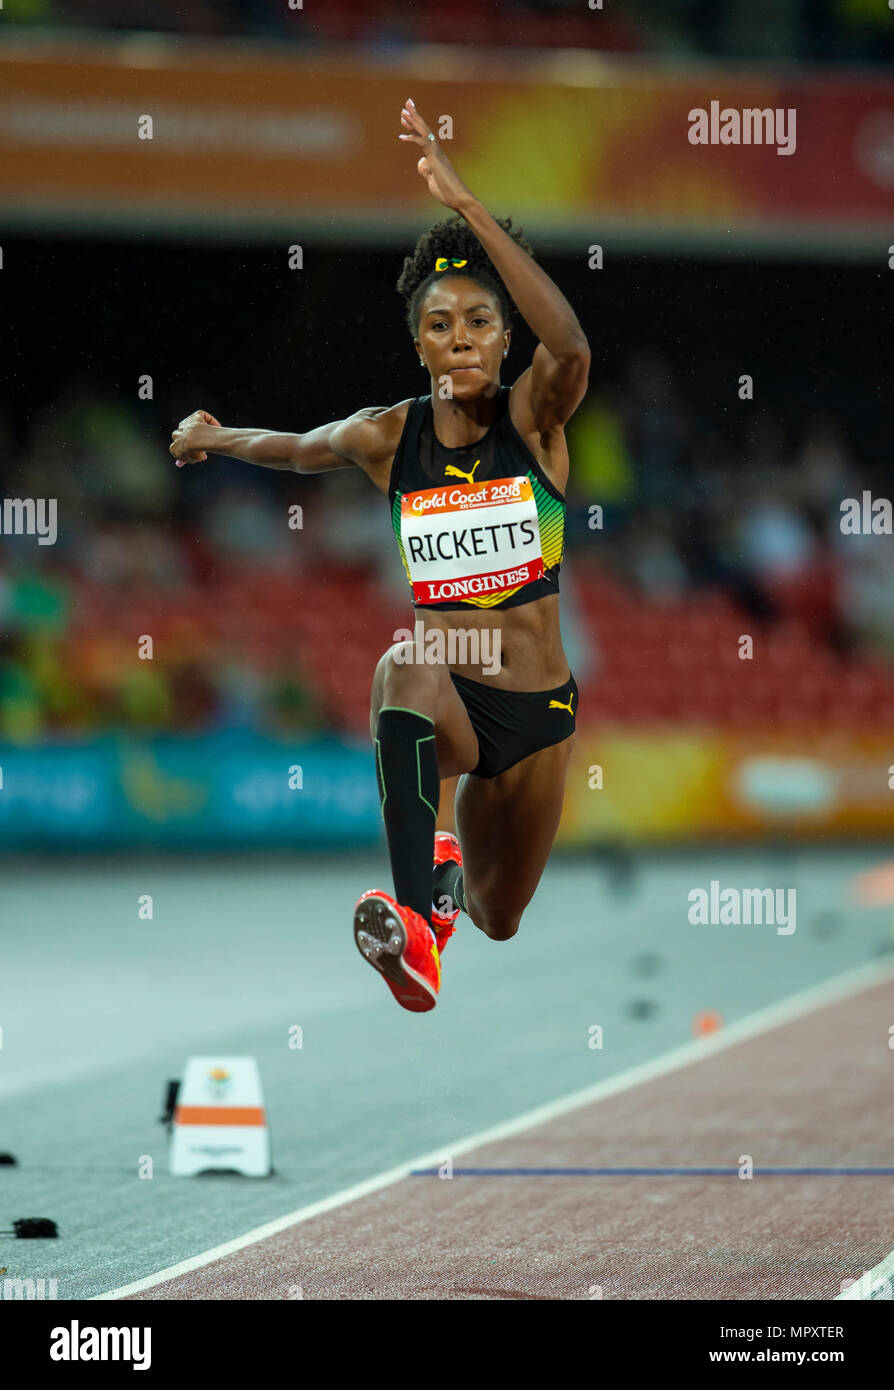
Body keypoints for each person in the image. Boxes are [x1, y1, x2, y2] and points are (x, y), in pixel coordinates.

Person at [170, 98, 590, 1013]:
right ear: (419, 343)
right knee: (406, 660)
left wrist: (471, 208)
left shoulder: (535, 419)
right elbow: (295, 446)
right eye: (441, 325)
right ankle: (409, 922)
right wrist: (216, 435)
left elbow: (573, 343)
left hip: (537, 702)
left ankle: (444, 884)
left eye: (480, 322)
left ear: (503, 336)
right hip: (457, 674)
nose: (463, 340)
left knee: (498, 913)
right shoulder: (387, 439)